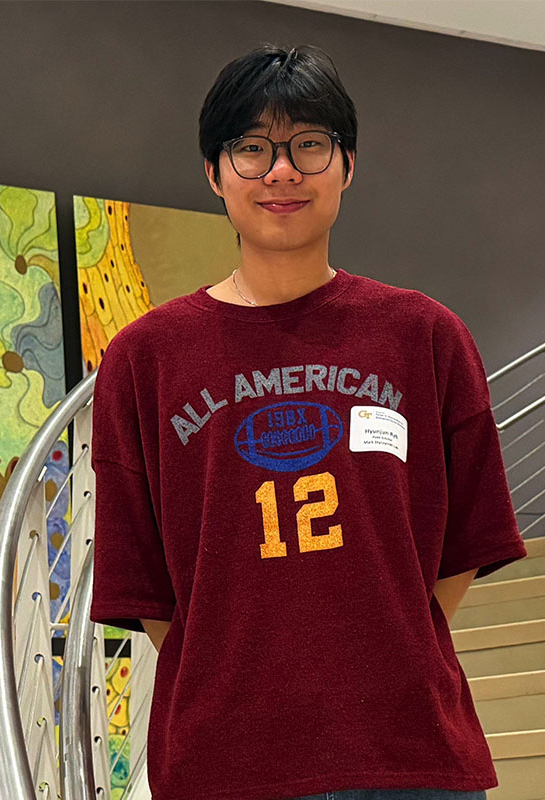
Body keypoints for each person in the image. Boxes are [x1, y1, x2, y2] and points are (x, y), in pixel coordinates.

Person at [89, 42, 527, 800]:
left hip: (409, 756)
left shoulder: (425, 336)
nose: (282, 171)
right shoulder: (144, 359)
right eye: (252, 148)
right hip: (225, 764)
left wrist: (389, 645)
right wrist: (232, 675)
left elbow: (467, 540)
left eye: (309, 145)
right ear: (214, 172)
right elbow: (144, 581)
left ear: (347, 165)